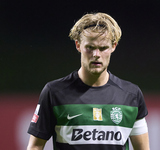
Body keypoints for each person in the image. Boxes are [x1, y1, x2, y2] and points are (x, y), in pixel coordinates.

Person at [27, 12, 150, 150]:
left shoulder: (131, 95)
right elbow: (35, 146)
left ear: (113, 46)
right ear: (78, 45)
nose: (96, 55)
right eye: (90, 48)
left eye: (103, 48)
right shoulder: (54, 92)